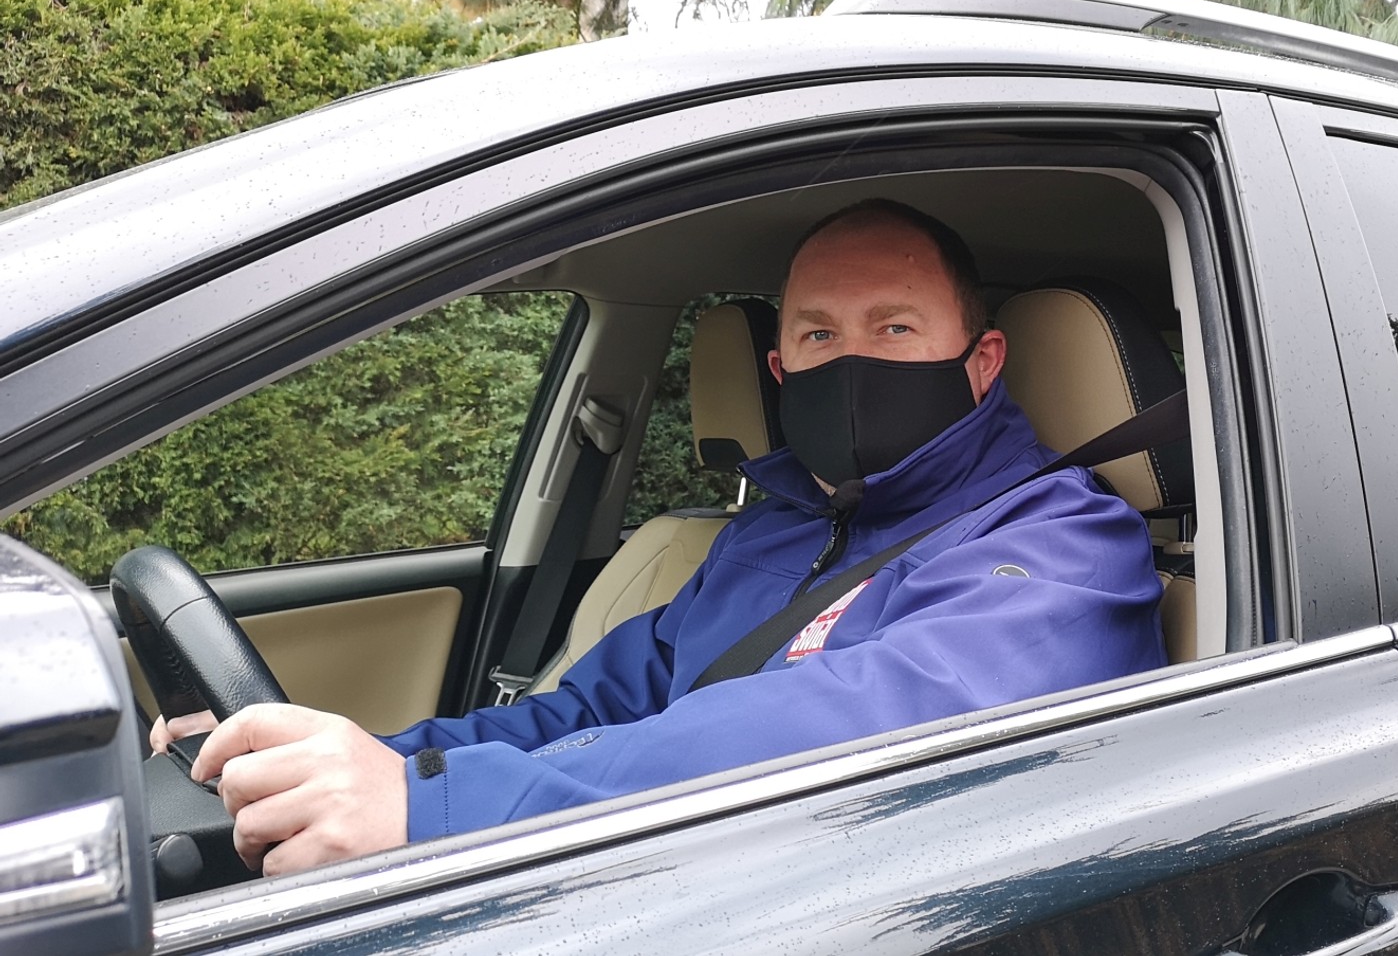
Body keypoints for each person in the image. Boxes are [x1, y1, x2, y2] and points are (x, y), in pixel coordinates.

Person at [156, 199, 1166, 876]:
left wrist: (440, 808)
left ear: (982, 363)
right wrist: (362, 765)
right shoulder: (766, 535)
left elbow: (846, 735)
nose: (851, 362)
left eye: (895, 328)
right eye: (818, 334)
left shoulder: (1064, 547)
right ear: (781, 369)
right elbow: (593, 708)